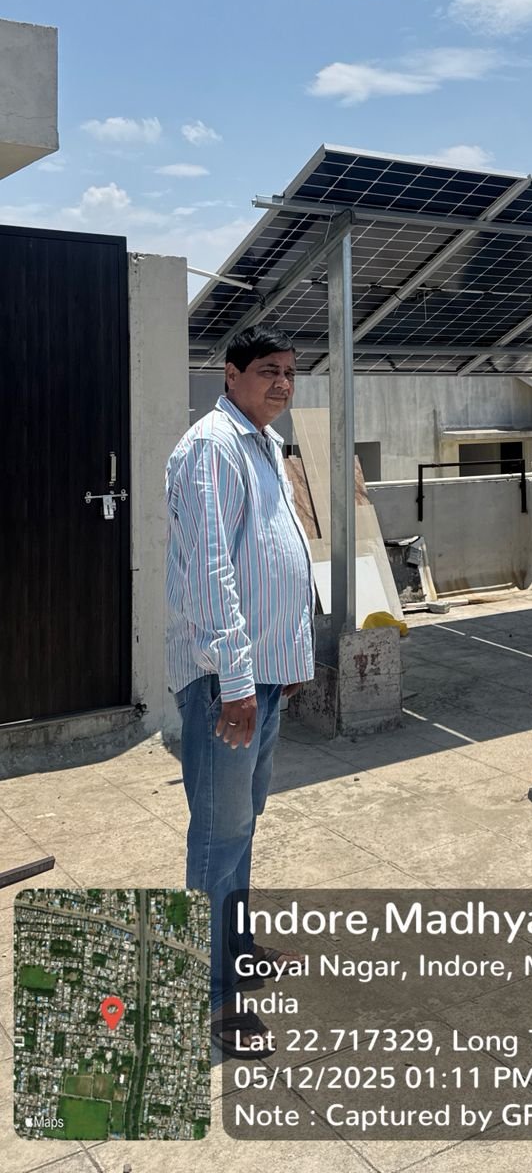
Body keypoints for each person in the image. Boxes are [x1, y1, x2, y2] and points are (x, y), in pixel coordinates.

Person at [165, 326, 314, 1057]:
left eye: (288, 372)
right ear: (230, 375)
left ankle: (237, 951)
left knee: (243, 824)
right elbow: (210, 570)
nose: (281, 383)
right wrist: (234, 680)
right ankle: (210, 997)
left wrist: (275, 667)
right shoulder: (213, 447)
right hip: (229, 681)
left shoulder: (263, 444)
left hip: (262, 674)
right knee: (218, 835)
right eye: (266, 371)